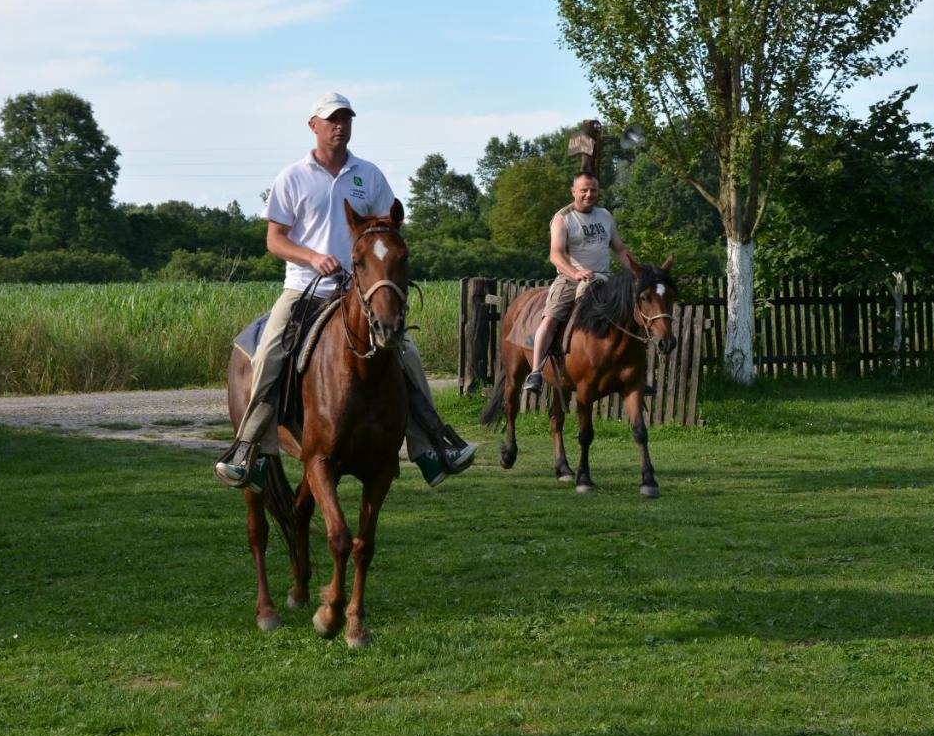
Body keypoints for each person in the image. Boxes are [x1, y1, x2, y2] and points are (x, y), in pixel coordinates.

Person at [215, 91, 476, 490]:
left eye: (346, 119)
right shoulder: (292, 176)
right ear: (313, 125)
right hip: (305, 289)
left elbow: (388, 227)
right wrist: (311, 257)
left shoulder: (368, 175)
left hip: (358, 293)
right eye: (332, 120)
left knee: (406, 352)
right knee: (269, 351)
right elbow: (274, 240)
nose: (340, 126)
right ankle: (249, 448)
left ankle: (431, 445)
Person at [523, 172, 641, 392]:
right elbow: (555, 255)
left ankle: (635, 373)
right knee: (550, 320)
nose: (589, 194)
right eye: (584, 190)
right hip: (570, 280)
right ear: (573, 191)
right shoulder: (562, 218)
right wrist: (574, 272)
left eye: (593, 190)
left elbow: (620, 249)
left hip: (603, 280)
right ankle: (536, 372)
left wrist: (638, 271)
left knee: (632, 317)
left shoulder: (604, 215)